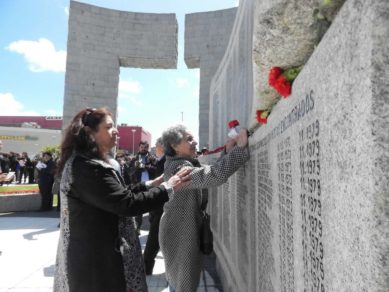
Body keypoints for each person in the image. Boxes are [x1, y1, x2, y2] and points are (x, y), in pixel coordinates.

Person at [53, 107, 191, 292]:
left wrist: (150, 184)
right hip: (96, 263)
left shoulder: (90, 163)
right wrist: (169, 187)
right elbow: (127, 204)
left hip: (98, 255)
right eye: (109, 127)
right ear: (89, 133)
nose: (116, 131)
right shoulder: (87, 167)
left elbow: (117, 194)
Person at [159, 124, 249, 292]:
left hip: (182, 232)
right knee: (182, 285)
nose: (195, 142)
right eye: (189, 139)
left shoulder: (181, 163)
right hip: (179, 235)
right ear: (174, 146)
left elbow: (206, 173)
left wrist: (227, 153)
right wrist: (241, 149)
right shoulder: (179, 168)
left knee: (181, 283)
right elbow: (214, 176)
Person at [143, 137, 166, 275]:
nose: (155, 148)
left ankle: (146, 267)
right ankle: (147, 266)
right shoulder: (161, 160)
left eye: (156, 146)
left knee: (153, 240)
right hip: (157, 206)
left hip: (161, 206)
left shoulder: (165, 161)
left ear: (161, 147)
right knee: (154, 239)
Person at [129, 141, 157, 234]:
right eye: (142, 147)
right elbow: (130, 172)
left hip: (150, 184)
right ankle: (137, 228)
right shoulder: (134, 158)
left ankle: (152, 228)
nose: (143, 149)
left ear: (147, 148)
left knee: (152, 206)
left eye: (145, 147)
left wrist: (145, 166)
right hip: (138, 185)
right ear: (139, 147)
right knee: (138, 206)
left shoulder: (152, 158)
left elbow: (156, 170)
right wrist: (136, 167)